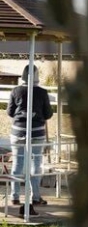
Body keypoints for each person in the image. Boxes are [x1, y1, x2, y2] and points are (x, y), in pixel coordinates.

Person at [7, 65, 53, 214]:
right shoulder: (42, 92)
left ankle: (14, 196)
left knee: (18, 163)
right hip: (37, 133)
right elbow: (48, 114)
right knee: (37, 164)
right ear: (37, 76)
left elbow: (10, 112)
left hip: (18, 131)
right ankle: (36, 196)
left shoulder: (16, 91)